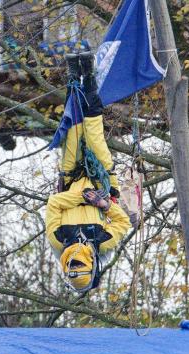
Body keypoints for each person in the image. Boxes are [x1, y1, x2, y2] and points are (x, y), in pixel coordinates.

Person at [46, 53, 132, 293]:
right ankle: (89, 75)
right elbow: (123, 221)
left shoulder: (58, 239)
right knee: (93, 129)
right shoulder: (103, 243)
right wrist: (104, 205)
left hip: (71, 178)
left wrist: (81, 196)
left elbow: (54, 204)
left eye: (71, 262)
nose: (74, 257)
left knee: (74, 128)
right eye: (79, 263)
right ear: (91, 265)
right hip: (102, 178)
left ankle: (74, 75)